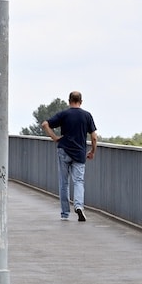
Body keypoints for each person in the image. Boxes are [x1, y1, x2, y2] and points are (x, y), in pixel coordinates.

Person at [41, 91, 98, 222]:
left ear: (69, 101)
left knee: (64, 182)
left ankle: (65, 213)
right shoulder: (87, 115)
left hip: (64, 150)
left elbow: (45, 124)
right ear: (81, 101)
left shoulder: (64, 114)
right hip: (79, 153)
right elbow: (94, 137)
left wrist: (55, 138)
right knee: (78, 181)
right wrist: (92, 151)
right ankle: (79, 206)